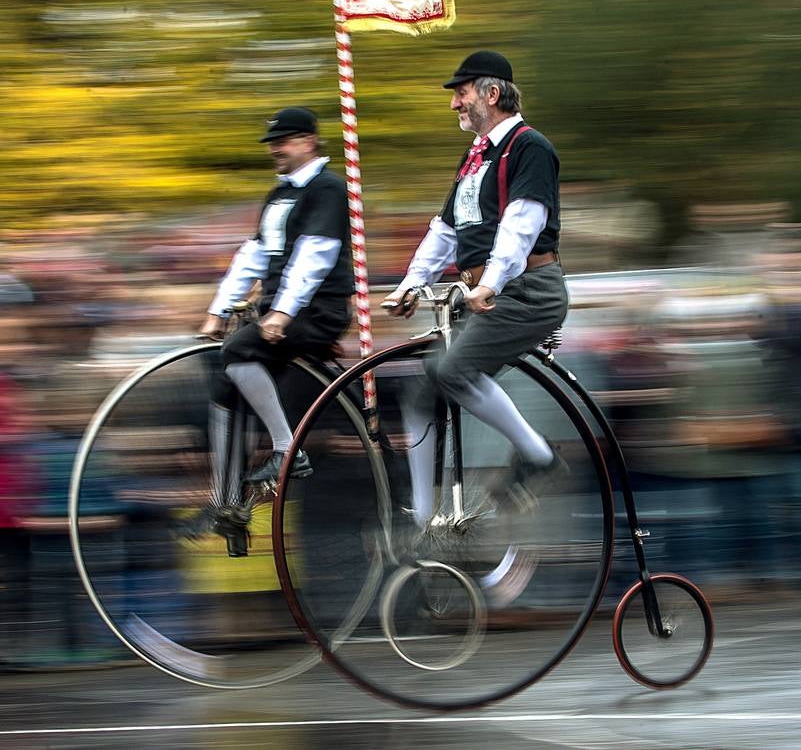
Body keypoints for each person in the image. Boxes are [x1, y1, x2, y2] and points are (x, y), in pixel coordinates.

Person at [381, 51, 569, 523]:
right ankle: (424, 519)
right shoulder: (476, 157)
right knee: (421, 393)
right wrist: (411, 282)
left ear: (492, 93)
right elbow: (446, 229)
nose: (454, 104)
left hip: (526, 290)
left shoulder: (530, 148)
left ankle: (539, 456)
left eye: (461, 93)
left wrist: (490, 281)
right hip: (489, 292)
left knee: (451, 372)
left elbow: (521, 225)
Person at [199, 107, 353, 511]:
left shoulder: (328, 189)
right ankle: (227, 504)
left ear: (307, 141)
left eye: (282, 142)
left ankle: (288, 450)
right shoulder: (280, 194)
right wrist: (219, 309)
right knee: (223, 381)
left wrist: (282, 313)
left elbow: (315, 256)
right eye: (272, 143)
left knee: (237, 352)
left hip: (316, 311)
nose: (275, 150)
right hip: (278, 311)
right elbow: (252, 255)